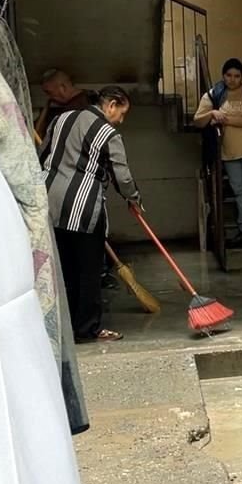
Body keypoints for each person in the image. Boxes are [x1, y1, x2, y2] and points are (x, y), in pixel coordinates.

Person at [39, 86, 142, 343]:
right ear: (111, 105)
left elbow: (42, 155)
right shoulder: (108, 133)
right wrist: (134, 199)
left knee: (64, 269)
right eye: (122, 112)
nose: (121, 119)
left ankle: (65, 327)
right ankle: (87, 329)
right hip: (83, 208)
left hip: (49, 203)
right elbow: (123, 175)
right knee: (88, 271)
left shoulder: (60, 119)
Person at [193, 58, 242, 248]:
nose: (232, 79)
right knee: (239, 189)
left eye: (237, 76)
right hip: (228, 149)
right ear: (223, 75)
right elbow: (198, 121)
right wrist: (211, 114)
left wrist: (223, 118)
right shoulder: (214, 95)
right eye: (228, 75)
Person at [34, 69, 93, 139]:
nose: (50, 97)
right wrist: (46, 106)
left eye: (50, 92)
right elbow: (36, 132)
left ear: (63, 88)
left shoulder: (85, 104)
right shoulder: (57, 108)